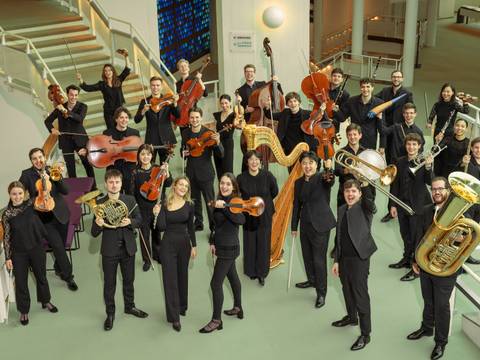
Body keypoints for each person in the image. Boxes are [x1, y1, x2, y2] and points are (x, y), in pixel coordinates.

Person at [407, 177, 458, 360]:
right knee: (428, 300)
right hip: (426, 264)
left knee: (442, 305)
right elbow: (419, 237)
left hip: (446, 269)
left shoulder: (458, 215)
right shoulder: (426, 210)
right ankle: (427, 328)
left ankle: (440, 342)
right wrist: (415, 259)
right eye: (434, 189)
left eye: (440, 189)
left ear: (448, 191)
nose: (436, 192)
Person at [91, 169, 148, 331]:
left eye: (117, 182)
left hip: (128, 248)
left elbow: (140, 220)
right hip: (109, 250)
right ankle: (110, 313)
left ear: (121, 183)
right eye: (111, 182)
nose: (114, 185)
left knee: (129, 280)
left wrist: (129, 221)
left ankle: (130, 306)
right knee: (109, 284)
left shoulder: (129, 200)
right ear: (106, 184)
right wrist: (98, 223)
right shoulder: (100, 203)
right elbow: (95, 233)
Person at [19, 148, 78, 291]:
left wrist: (57, 178)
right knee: (57, 246)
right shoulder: (26, 175)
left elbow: (65, 191)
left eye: (40, 157)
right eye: (34, 158)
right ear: (31, 161)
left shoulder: (53, 170)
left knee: (62, 246)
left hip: (61, 214)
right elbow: (21, 195)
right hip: (43, 219)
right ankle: (69, 277)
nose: (38, 160)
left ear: (44, 157)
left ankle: (59, 267)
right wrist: (36, 199)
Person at [2, 181, 58, 326]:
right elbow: (6, 236)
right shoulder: (7, 214)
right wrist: (8, 257)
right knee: (21, 282)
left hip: (36, 247)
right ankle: (24, 310)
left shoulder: (31, 203)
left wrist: (45, 181)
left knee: (41, 276)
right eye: (14, 194)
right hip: (19, 252)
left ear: (24, 193)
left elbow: (45, 198)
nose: (17, 196)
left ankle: (45, 301)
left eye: (20, 193)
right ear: (10, 195)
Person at [331, 179, 377, 351]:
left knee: (360, 294)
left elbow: (370, 203)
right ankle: (351, 317)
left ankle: (366, 334)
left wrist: (365, 183)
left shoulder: (365, 209)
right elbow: (339, 237)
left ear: (359, 194)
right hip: (344, 259)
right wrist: (336, 260)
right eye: (347, 191)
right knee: (346, 289)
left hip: (360, 259)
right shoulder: (342, 209)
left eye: (353, 191)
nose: (350, 194)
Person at [199, 173, 245, 333]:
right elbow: (215, 225)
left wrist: (224, 207)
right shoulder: (219, 199)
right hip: (220, 245)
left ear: (233, 187)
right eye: (222, 183)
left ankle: (216, 320)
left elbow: (240, 220)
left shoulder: (235, 201)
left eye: (228, 184)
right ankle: (238, 307)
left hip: (229, 248)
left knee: (215, 284)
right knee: (233, 277)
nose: (224, 186)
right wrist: (212, 241)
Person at [291, 151, 336, 308]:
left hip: (321, 224)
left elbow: (330, 179)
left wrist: (329, 168)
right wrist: (294, 226)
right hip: (305, 224)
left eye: (310, 163)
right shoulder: (298, 183)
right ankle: (311, 280)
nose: (307, 166)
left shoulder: (322, 178)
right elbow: (296, 205)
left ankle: (321, 292)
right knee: (307, 255)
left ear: (316, 165)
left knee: (318, 259)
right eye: (304, 163)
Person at [153, 176, 196, 332]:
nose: (184, 188)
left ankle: (182, 306)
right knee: (170, 280)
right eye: (181, 185)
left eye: (186, 186)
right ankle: (174, 317)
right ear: (174, 186)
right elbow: (162, 227)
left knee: (182, 276)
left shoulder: (190, 205)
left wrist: (194, 245)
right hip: (168, 244)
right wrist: (157, 213)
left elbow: (190, 227)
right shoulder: (165, 204)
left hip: (184, 244)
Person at [389, 133, 433, 281]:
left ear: (419, 146)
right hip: (402, 205)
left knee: (417, 238)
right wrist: (393, 204)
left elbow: (430, 181)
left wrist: (428, 166)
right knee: (405, 234)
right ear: (405, 145)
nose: (411, 147)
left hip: (419, 206)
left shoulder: (423, 161)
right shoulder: (400, 162)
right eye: (409, 144)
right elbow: (394, 185)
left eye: (414, 144)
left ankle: (416, 267)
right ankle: (406, 259)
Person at [237, 150, 278, 285]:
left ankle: (262, 272)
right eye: (251, 159)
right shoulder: (241, 178)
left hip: (264, 213)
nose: (254, 162)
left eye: (256, 159)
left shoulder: (268, 176)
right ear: (246, 162)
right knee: (249, 241)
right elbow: (239, 196)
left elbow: (274, 191)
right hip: (248, 214)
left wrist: (262, 204)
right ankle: (250, 270)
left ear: (260, 161)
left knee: (263, 242)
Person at [44, 84, 96, 189]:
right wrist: (52, 129)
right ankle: (75, 188)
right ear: (67, 94)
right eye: (71, 95)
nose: (74, 97)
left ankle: (94, 188)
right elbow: (47, 121)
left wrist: (66, 111)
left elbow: (79, 119)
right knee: (70, 167)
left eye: (76, 95)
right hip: (65, 141)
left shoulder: (82, 106)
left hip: (80, 140)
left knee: (87, 164)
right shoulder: (59, 107)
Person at [380, 102, 424, 223]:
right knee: (394, 188)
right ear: (403, 114)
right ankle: (391, 211)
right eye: (406, 113)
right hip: (396, 164)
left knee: (409, 188)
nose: (409, 116)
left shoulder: (418, 131)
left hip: (410, 164)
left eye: (411, 113)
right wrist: (380, 118)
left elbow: (421, 149)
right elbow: (383, 131)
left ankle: (406, 210)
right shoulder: (396, 127)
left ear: (415, 114)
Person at [130, 144, 171, 271]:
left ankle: (157, 255)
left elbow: (168, 184)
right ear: (139, 156)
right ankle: (147, 259)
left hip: (156, 205)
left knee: (157, 230)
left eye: (148, 154)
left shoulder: (158, 168)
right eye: (143, 154)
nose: (145, 157)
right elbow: (132, 192)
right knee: (144, 234)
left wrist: (167, 172)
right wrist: (134, 210)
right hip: (142, 208)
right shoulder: (135, 172)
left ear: (152, 155)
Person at [181, 107, 224, 232]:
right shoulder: (185, 134)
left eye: (197, 117)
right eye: (192, 117)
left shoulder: (209, 133)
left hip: (206, 173)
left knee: (210, 202)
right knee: (195, 201)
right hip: (191, 173)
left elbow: (221, 154)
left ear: (201, 118)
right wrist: (183, 152)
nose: (194, 120)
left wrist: (218, 142)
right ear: (189, 119)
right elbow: (182, 152)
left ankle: (214, 227)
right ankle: (199, 222)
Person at [77, 50, 131, 129]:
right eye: (105, 71)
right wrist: (80, 79)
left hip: (119, 111)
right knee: (111, 131)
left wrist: (126, 56)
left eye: (109, 70)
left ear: (113, 71)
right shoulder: (102, 84)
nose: (107, 72)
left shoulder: (118, 80)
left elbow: (127, 69)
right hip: (108, 112)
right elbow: (87, 88)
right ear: (104, 73)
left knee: (122, 129)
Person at [134, 76, 179, 163]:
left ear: (161, 87)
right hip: (151, 139)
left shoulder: (168, 99)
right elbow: (137, 120)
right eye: (153, 85)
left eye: (158, 85)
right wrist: (143, 111)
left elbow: (178, 115)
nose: (155, 88)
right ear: (150, 86)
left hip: (167, 138)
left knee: (164, 166)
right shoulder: (145, 101)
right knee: (150, 165)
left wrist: (175, 103)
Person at [338, 78, 384, 151]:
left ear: (372, 88)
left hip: (370, 141)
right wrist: (336, 110)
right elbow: (342, 118)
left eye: (368, 87)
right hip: (353, 139)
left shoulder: (379, 103)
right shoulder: (352, 101)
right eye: (363, 87)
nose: (365, 89)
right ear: (360, 88)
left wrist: (382, 145)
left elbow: (382, 128)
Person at [267, 91, 316, 160]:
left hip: (304, 149)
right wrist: (268, 106)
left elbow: (319, 116)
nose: (293, 104)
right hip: (289, 149)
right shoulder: (285, 113)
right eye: (290, 102)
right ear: (287, 104)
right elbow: (270, 115)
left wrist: (321, 109)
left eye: (295, 101)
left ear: (299, 102)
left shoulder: (307, 114)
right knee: (291, 169)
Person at [103, 106, 140, 194]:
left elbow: (138, 151)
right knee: (114, 196)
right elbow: (104, 152)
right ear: (116, 119)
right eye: (121, 117)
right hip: (113, 168)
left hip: (130, 169)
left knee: (130, 195)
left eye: (126, 117)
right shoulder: (107, 133)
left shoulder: (135, 133)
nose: (124, 120)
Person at [213, 94, 239, 178]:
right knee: (219, 170)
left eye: (226, 103)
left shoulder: (234, 115)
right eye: (222, 103)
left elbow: (238, 123)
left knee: (228, 171)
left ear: (230, 102)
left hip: (227, 145)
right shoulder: (217, 115)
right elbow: (213, 128)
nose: (224, 105)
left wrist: (239, 102)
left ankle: (231, 190)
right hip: (217, 144)